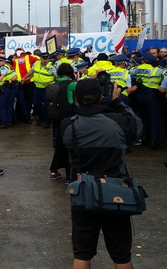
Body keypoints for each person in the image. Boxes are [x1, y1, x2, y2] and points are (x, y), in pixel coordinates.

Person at [62, 79, 138, 269]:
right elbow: (136, 126)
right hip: (116, 193)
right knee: (122, 256)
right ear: (100, 97)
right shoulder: (118, 121)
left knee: (82, 254)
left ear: (76, 99)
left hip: (84, 192)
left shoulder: (68, 126)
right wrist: (117, 102)